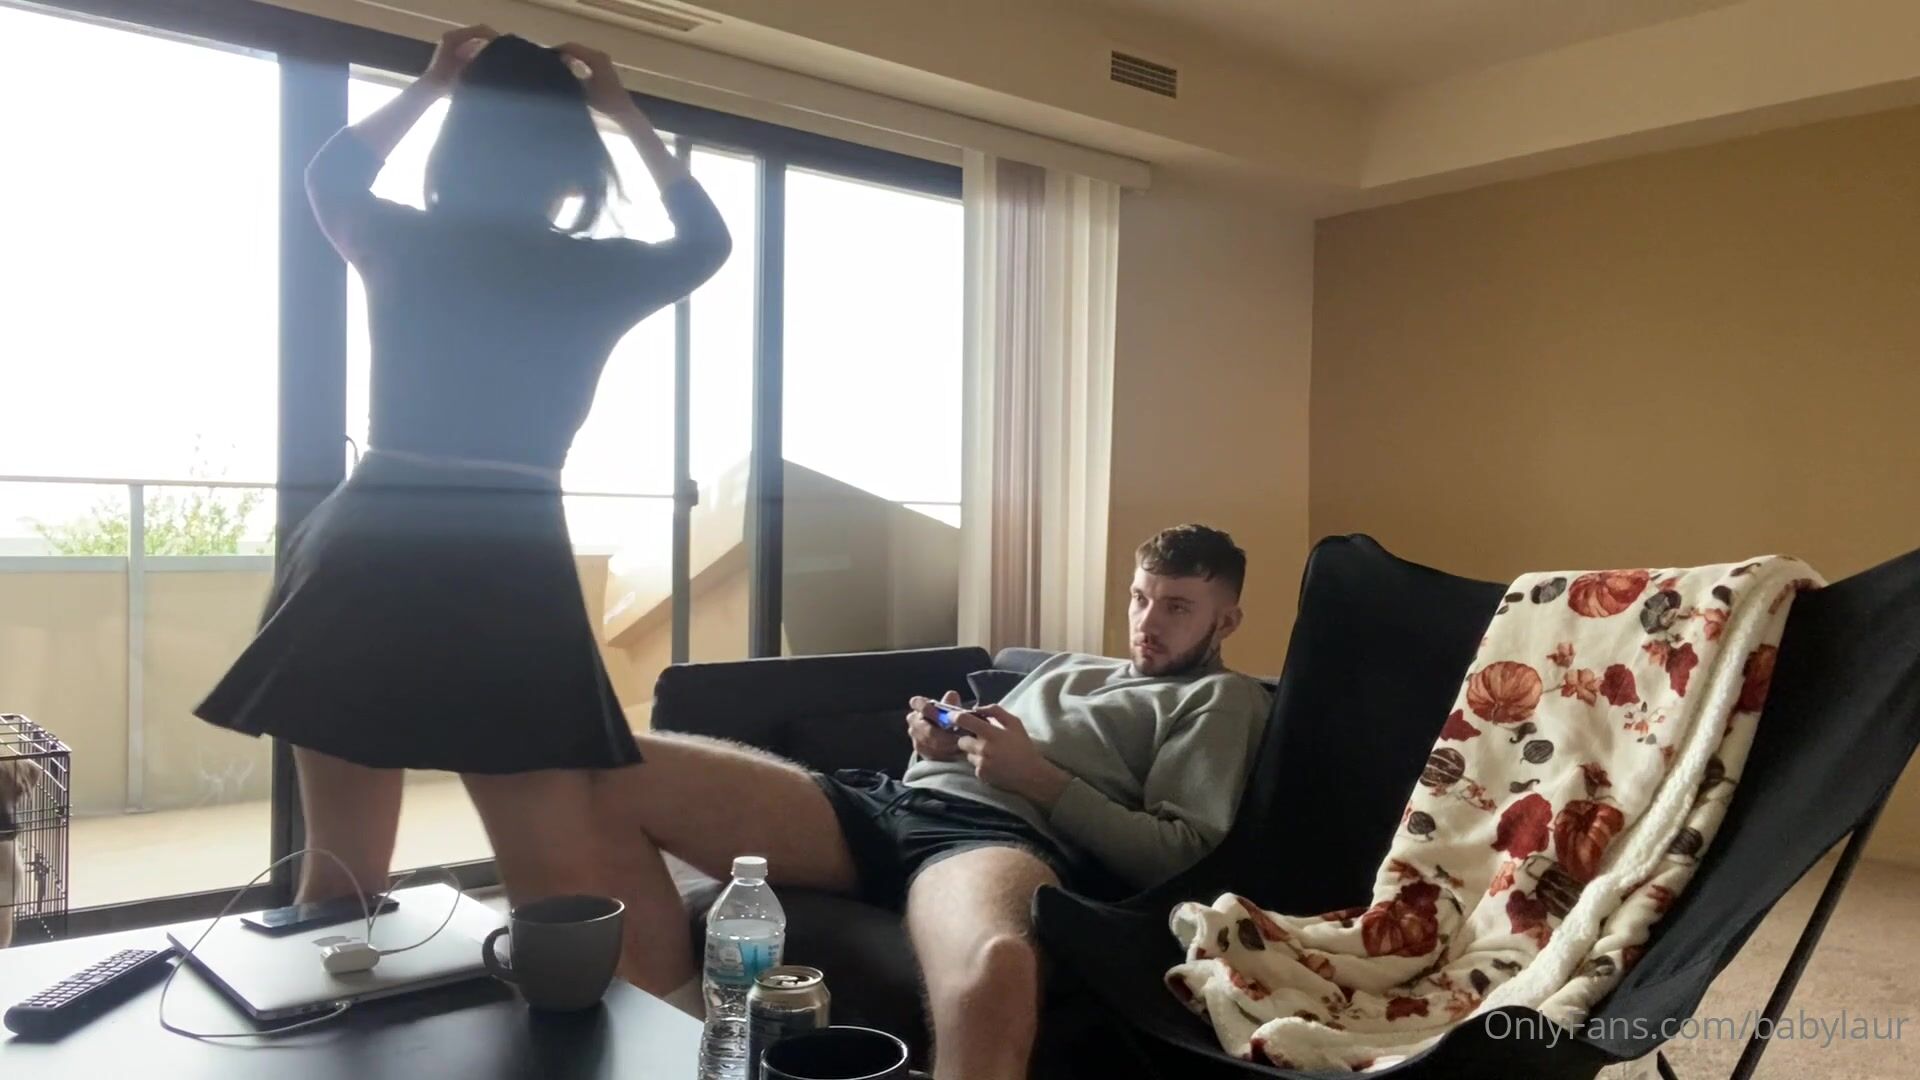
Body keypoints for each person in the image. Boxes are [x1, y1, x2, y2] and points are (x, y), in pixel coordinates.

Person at [195, 27, 731, 918]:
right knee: (557, 896)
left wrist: (433, 81)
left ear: (454, 150)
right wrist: (622, 110)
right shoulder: (593, 273)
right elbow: (705, 242)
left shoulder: (401, 240)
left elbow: (330, 174)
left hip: (370, 544)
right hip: (509, 556)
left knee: (340, 888)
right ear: (574, 164)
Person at [598, 524, 1273, 1080]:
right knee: (617, 765)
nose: (1147, 622)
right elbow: (973, 759)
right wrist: (936, 744)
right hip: (888, 801)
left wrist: (1035, 778)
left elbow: (1182, 856)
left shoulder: (1221, 698)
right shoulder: (1068, 668)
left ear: (1227, 620)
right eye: (1139, 598)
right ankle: (683, 1051)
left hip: (990, 839)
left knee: (995, 966)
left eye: (1176, 607)